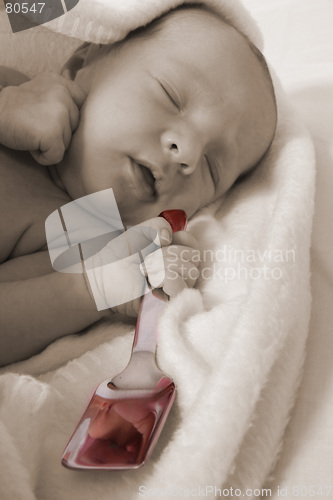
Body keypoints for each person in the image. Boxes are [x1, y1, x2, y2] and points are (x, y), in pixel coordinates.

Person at [0, 4, 277, 366]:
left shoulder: (86, 238)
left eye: (212, 166)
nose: (188, 153)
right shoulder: (16, 91)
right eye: (171, 96)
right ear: (81, 64)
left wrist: (97, 288)